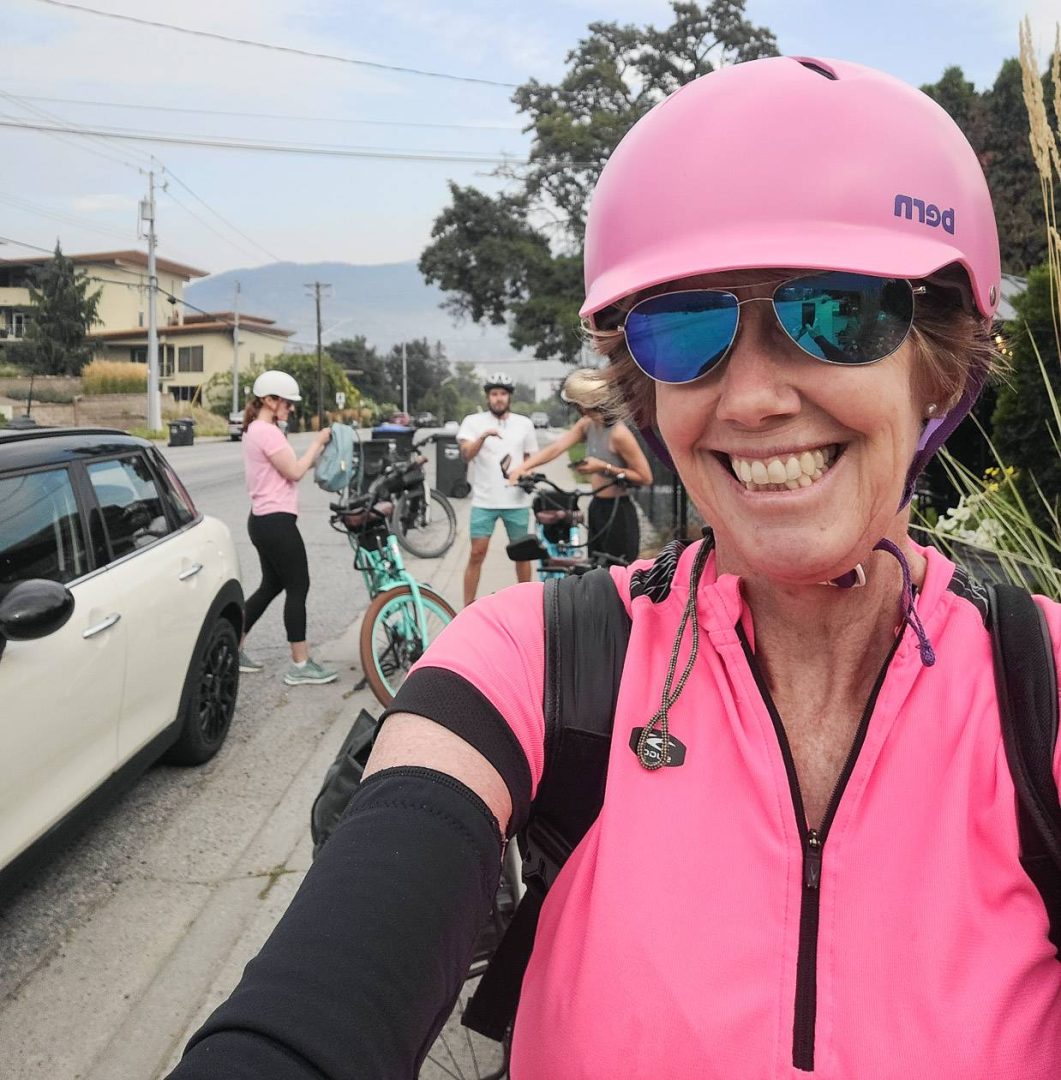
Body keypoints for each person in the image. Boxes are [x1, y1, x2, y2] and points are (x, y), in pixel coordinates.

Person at [169, 57, 1061, 1078]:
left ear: (937, 364)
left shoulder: (1037, 691)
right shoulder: (544, 657)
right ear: (644, 385)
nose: (755, 398)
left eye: (837, 311)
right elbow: (338, 967)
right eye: (685, 329)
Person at [238, 369, 337, 686]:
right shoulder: (265, 431)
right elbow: (294, 471)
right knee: (298, 586)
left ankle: (232, 647)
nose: (291, 408)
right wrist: (317, 443)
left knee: (271, 586)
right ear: (269, 400)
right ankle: (301, 664)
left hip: (263, 521)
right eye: (287, 402)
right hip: (276, 523)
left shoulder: (257, 429)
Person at [507, 367, 653, 563]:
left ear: (583, 405)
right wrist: (522, 468)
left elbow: (645, 476)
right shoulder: (588, 424)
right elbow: (558, 447)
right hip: (597, 506)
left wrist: (603, 467)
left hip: (618, 512)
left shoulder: (618, 434)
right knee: (595, 567)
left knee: (618, 569)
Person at [456, 373, 539, 605]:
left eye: (503, 394)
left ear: (509, 397)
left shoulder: (524, 424)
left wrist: (526, 475)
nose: (498, 398)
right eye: (494, 394)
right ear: (487, 397)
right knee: (476, 554)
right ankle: (467, 608)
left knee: (523, 556)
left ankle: (528, 606)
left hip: (517, 501)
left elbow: (529, 459)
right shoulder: (473, 422)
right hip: (484, 500)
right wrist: (483, 436)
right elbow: (466, 455)